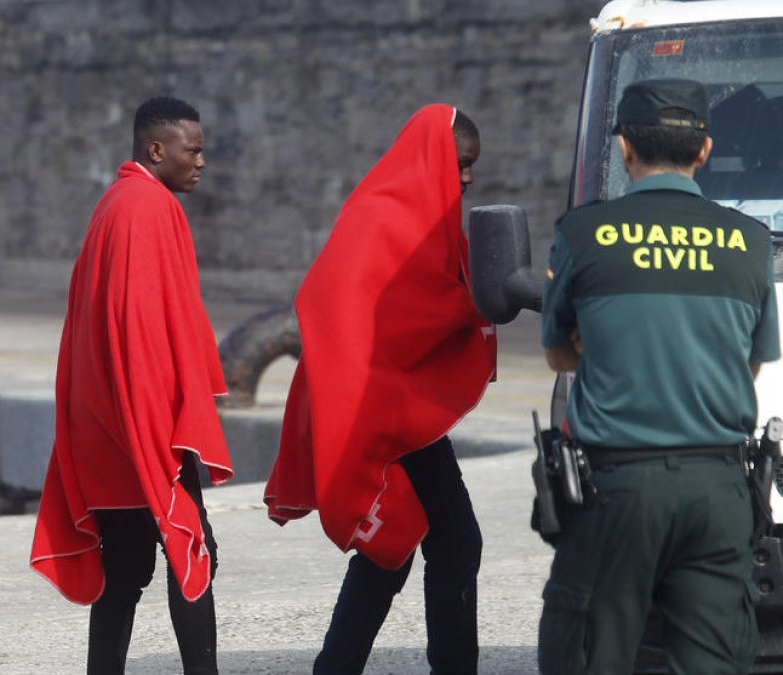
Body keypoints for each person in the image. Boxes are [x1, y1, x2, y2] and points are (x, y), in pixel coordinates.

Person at [538, 79, 778, 674]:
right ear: (703, 151)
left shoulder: (582, 234)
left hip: (617, 489)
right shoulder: (749, 242)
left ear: (623, 148)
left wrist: (606, 347)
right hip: (719, 490)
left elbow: (558, 355)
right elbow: (750, 361)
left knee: (593, 653)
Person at [264, 104, 496, 675]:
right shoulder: (378, 217)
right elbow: (334, 305)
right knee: (443, 542)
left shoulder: (430, 221)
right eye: (460, 164)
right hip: (373, 406)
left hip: (399, 405)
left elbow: (430, 301)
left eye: (473, 168)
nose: (466, 178)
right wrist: (473, 303)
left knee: (404, 545)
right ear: (432, 159)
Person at [30, 95, 234, 675]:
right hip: (141, 422)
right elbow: (137, 331)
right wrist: (160, 433)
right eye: (192, 151)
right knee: (192, 551)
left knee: (122, 569)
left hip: (105, 419)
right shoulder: (145, 208)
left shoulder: (118, 202)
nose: (201, 162)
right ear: (156, 149)